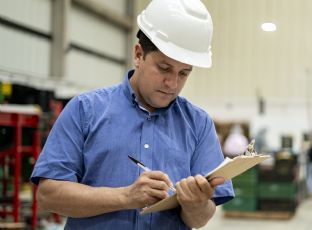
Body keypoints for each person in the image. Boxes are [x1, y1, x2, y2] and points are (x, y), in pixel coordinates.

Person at [30, 0, 234, 229]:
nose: (172, 83)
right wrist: (126, 197)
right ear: (139, 55)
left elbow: (200, 218)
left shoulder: (198, 124)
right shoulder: (85, 110)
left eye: (184, 73)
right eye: (164, 68)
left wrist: (195, 204)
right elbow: (48, 196)